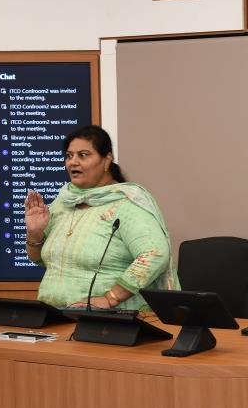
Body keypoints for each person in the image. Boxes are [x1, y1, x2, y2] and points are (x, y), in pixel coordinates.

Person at [24, 125, 178, 311]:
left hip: (108, 319)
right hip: (53, 314)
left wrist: (110, 298)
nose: (73, 162)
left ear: (106, 160)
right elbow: (40, 260)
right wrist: (35, 234)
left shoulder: (126, 204)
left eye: (83, 155)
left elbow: (155, 254)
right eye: (69, 156)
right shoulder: (63, 202)